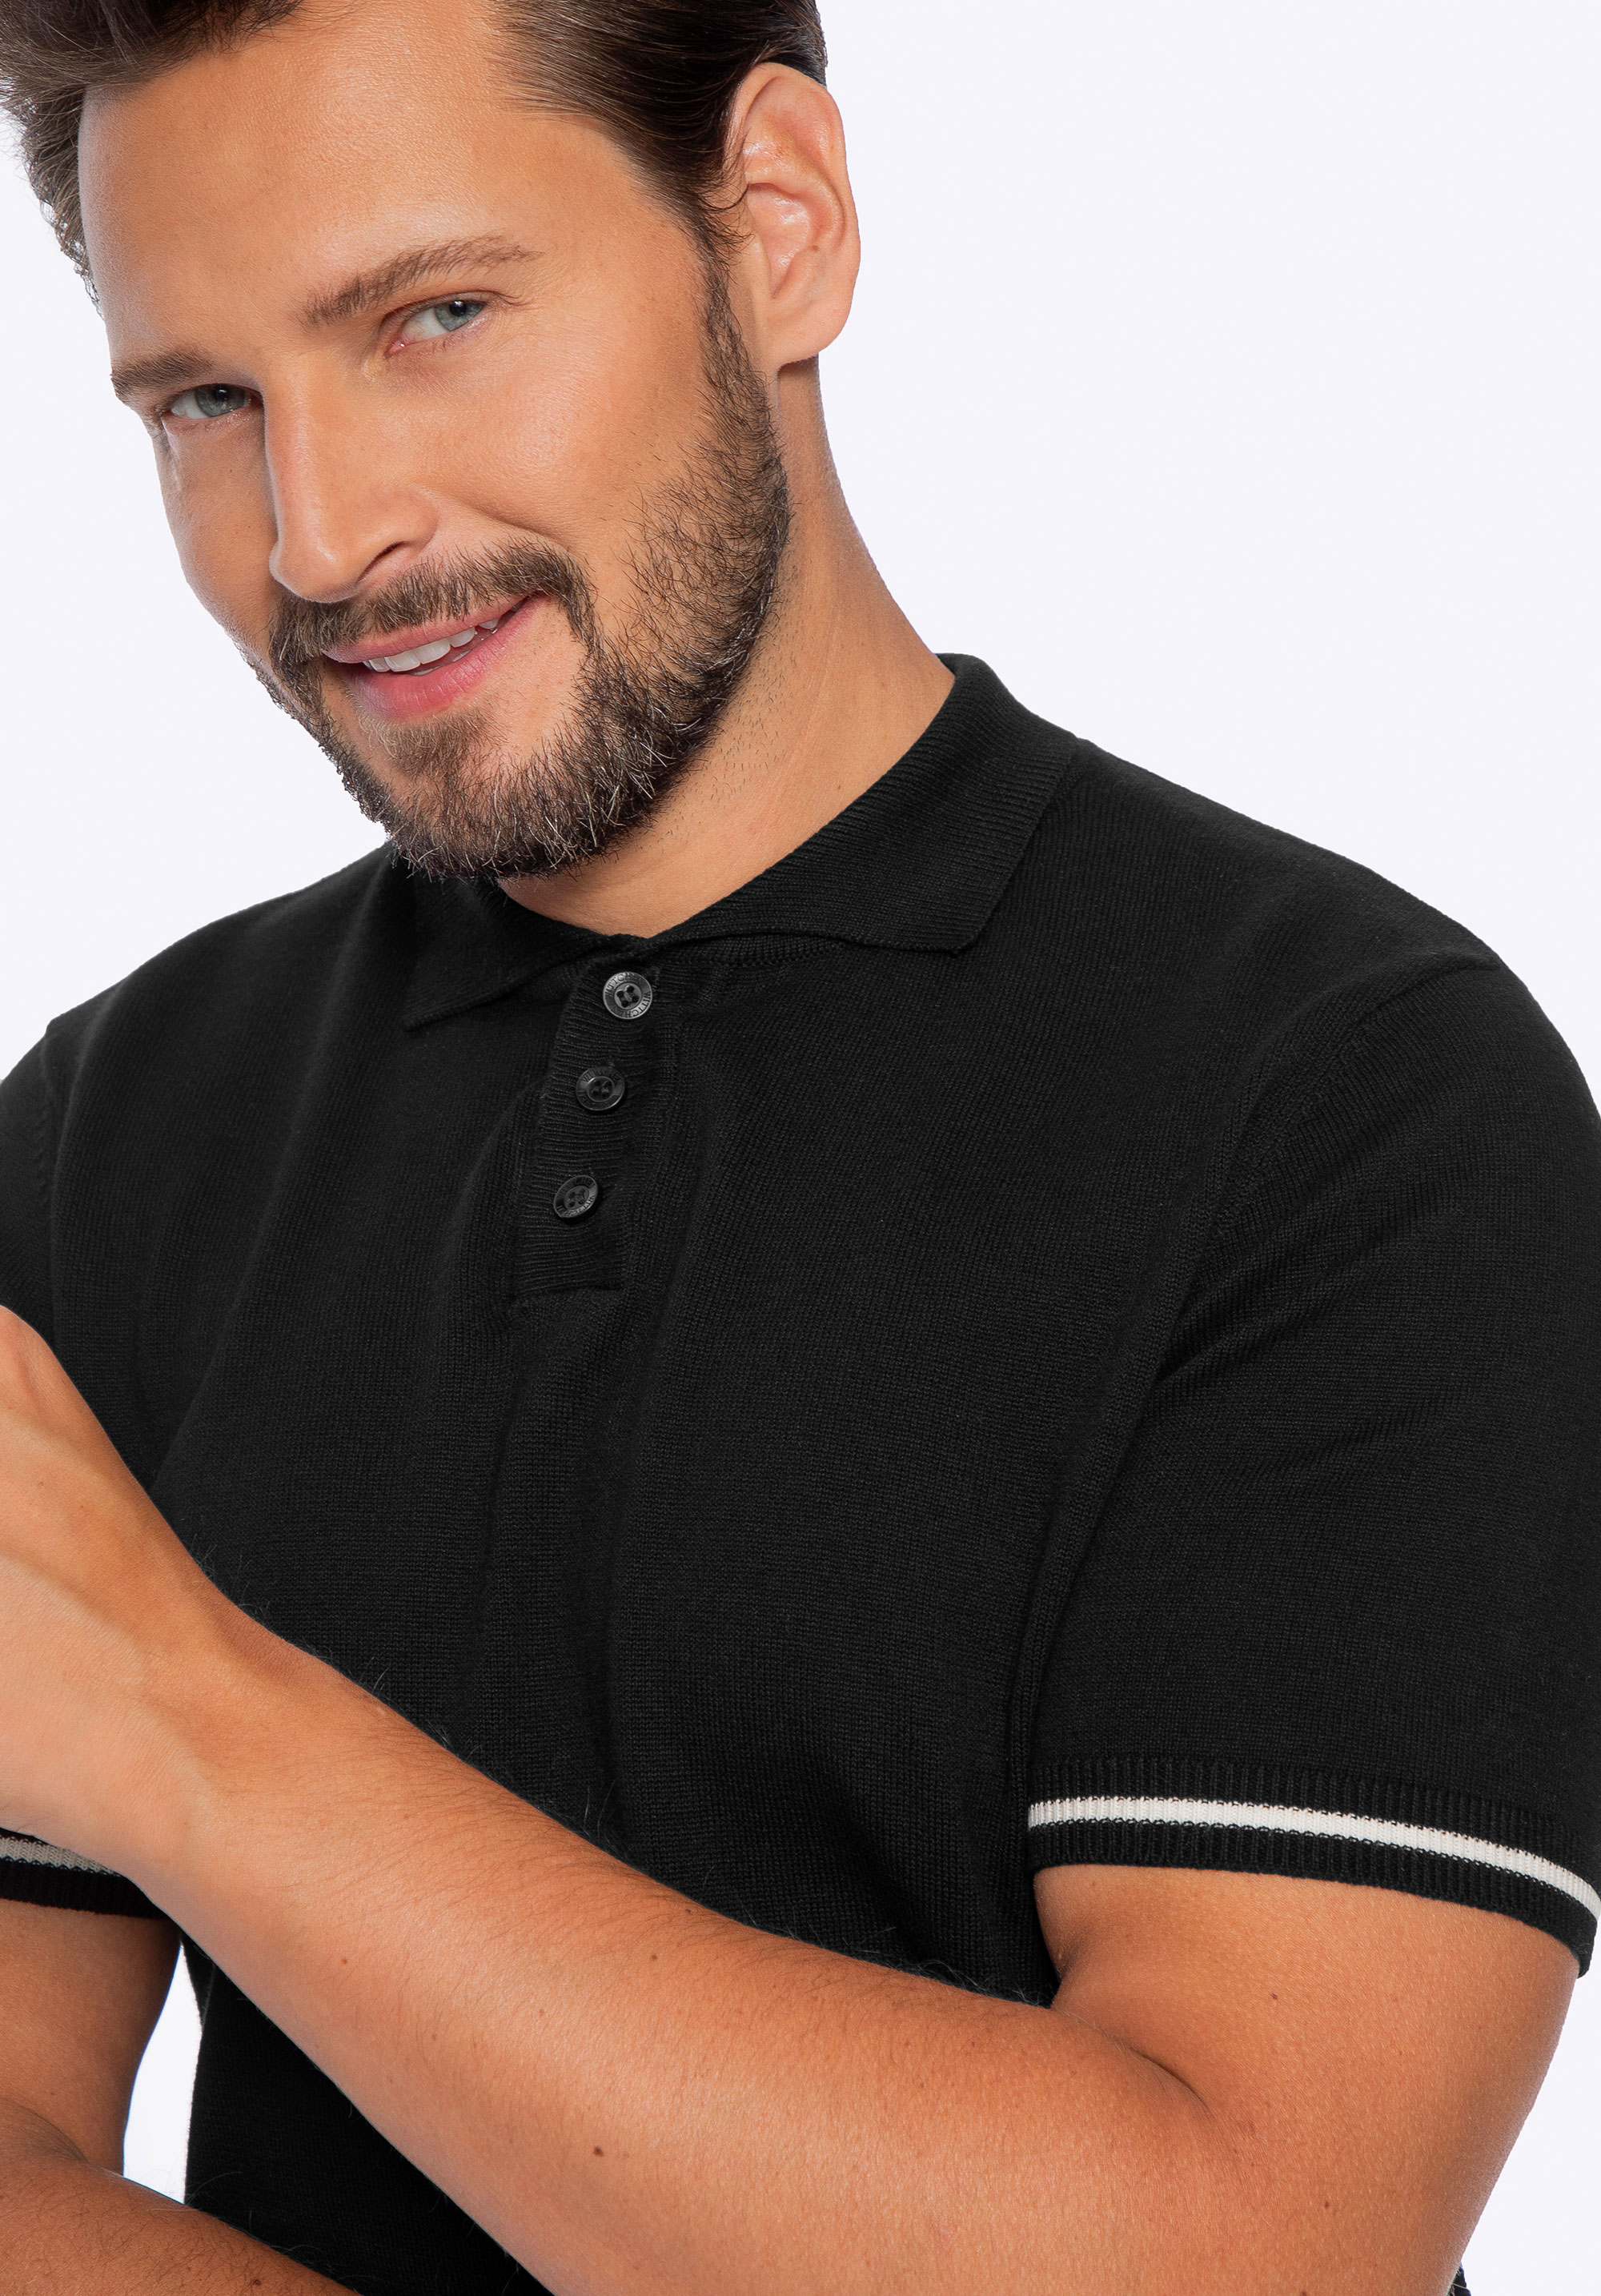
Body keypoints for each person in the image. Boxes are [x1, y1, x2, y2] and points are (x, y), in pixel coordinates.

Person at [0, 0, 1595, 2289]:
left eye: (433, 319)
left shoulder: (1348, 1098)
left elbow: (1252, 2242)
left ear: (776, 225)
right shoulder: (110, 1130)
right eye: (204, 404)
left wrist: (182, 1720)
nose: (325, 535)